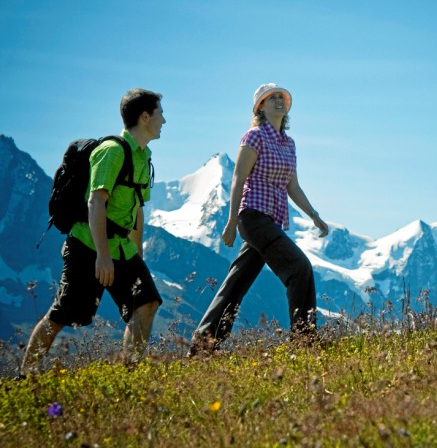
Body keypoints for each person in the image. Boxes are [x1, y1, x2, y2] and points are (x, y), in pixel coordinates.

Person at [20, 89, 165, 375]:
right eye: (160, 114)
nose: (164, 120)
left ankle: (131, 374)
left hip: (121, 248)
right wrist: (102, 256)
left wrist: (138, 257)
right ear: (145, 116)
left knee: (147, 303)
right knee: (63, 314)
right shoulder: (111, 152)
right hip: (88, 246)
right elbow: (96, 202)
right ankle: (26, 376)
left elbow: (135, 210)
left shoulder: (143, 156)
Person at [190, 83, 329, 354]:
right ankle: (305, 342)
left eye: (282, 98)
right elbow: (238, 178)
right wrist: (232, 222)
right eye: (271, 98)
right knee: (299, 268)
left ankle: (202, 346)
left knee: (236, 283)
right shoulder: (254, 136)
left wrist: (314, 215)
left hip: (271, 221)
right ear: (260, 107)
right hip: (253, 218)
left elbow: (293, 186)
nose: (278, 101)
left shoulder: (289, 144)